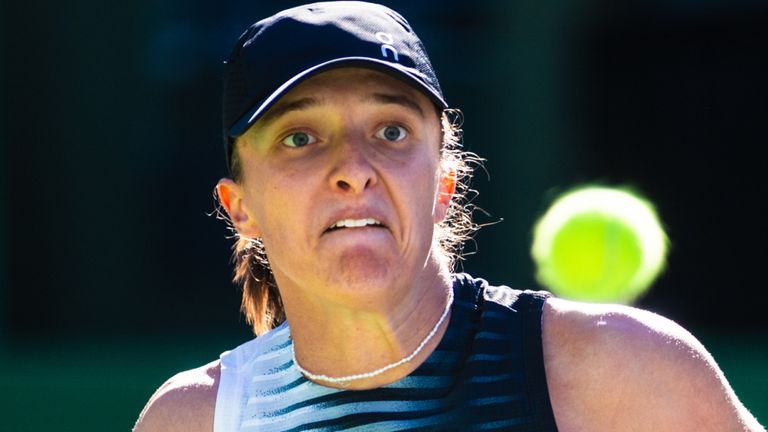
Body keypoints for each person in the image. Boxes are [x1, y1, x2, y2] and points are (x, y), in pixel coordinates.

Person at [134, 2, 764, 431]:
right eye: (300, 137)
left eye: (389, 129)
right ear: (239, 208)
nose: (353, 168)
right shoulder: (195, 419)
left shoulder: (624, 371)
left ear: (443, 185)